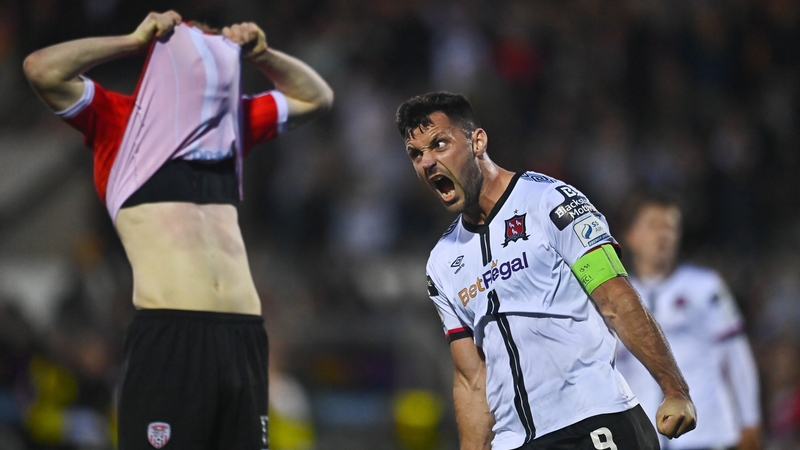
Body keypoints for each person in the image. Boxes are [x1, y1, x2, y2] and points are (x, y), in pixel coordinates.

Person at [23, 10, 333, 450]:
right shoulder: (122, 121)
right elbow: (41, 69)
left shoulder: (231, 125)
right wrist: (131, 41)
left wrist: (263, 54)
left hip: (244, 339)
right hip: (173, 338)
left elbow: (316, 98)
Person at [395, 92, 696, 449]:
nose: (427, 162)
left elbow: (615, 297)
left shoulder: (551, 202)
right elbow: (471, 379)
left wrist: (674, 389)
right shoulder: (441, 262)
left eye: (439, 144)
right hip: (516, 443)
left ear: (477, 141)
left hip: (593, 423)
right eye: (417, 154)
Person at [615, 194, 762, 450]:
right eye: (653, 225)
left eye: (671, 226)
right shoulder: (616, 298)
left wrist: (750, 420)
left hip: (706, 433)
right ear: (630, 236)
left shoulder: (705, 287)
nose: (664, 235)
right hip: (644, 436)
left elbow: (736, 357)